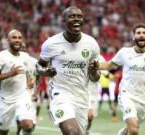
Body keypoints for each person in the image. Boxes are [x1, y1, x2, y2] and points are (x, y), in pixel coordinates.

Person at [36, 6, 100, 135]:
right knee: (72, 132)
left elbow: (95, 78)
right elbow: (38, 66)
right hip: (60, 94)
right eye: (72, 16)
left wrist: (93, 72)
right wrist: (46, 71)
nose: (76, 19)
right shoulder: (51, 43)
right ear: (63, 21)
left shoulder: (91, 44)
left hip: (81, 97)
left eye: (79, 16)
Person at [98, 23, 145, 135]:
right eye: (138, 33)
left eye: (144, 33)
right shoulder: (124, 52)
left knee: (131, 129)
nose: (141, 35)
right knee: (134, 130)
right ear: (134, 37)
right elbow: (108, 65)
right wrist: (91, 65)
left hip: (144, 99)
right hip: (127, 95)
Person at [0, 29, 34, 135]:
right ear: (8, 40)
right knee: (3, 132)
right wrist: (10, 74)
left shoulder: (25, 56)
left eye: (19, 38)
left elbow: (28, 70)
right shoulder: (0, 56)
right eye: (14, 37)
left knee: (28, 126)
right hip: (5, 100)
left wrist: (29, 81)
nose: (17, 40)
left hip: (23, 97)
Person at [16, 43, 39, 135]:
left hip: (31, 96)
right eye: (19, 48)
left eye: (23, 48)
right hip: (18, 97)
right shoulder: (12, 62)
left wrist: (35, 93)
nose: (21, 49)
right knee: (25, 125)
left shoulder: (33, 62)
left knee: (31, 127)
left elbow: (38, 78)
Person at [86, 55, 106, 135]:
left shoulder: (99, 57)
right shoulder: (79, 55)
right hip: (82, 92)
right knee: (88, 114)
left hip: (93, 93)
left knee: (90, 117)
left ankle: (86, 130)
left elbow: (104, 68)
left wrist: (106, 73)